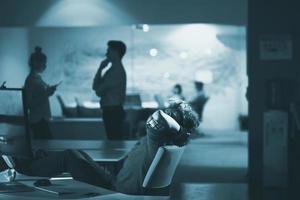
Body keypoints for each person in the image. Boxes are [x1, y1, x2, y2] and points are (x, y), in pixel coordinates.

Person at [0, 100, 199, 195]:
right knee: (78, 154)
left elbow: (158, 118)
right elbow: (131, 166)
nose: (163, 110)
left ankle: (19, 164)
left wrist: (180, 129)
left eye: (167, 111)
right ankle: (26, 160)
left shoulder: (158, 138)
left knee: (70, 156)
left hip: (117, 189)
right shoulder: (161, 141)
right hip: (116, 180)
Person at [92, 41, 127, 140]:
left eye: (109, 51)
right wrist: (100, 68)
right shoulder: (111, 70)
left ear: (116, 52)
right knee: (113, 141)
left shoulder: (116, 72)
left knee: (114, 142)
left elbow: (98, 91)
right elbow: (95, 88)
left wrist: (100, 69)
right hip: (111, 110)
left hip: (113, 111)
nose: (106, 54)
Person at [24, 46, 60, 139]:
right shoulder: (30, 80)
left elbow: (42, 95)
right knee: (45, 146)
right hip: (37, 120)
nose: (45, 66)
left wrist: (49, 91)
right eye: (44, 63)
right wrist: (47, 93)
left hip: (42, 119)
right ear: (35, 63)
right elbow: (29, 103)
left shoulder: (38, 78)